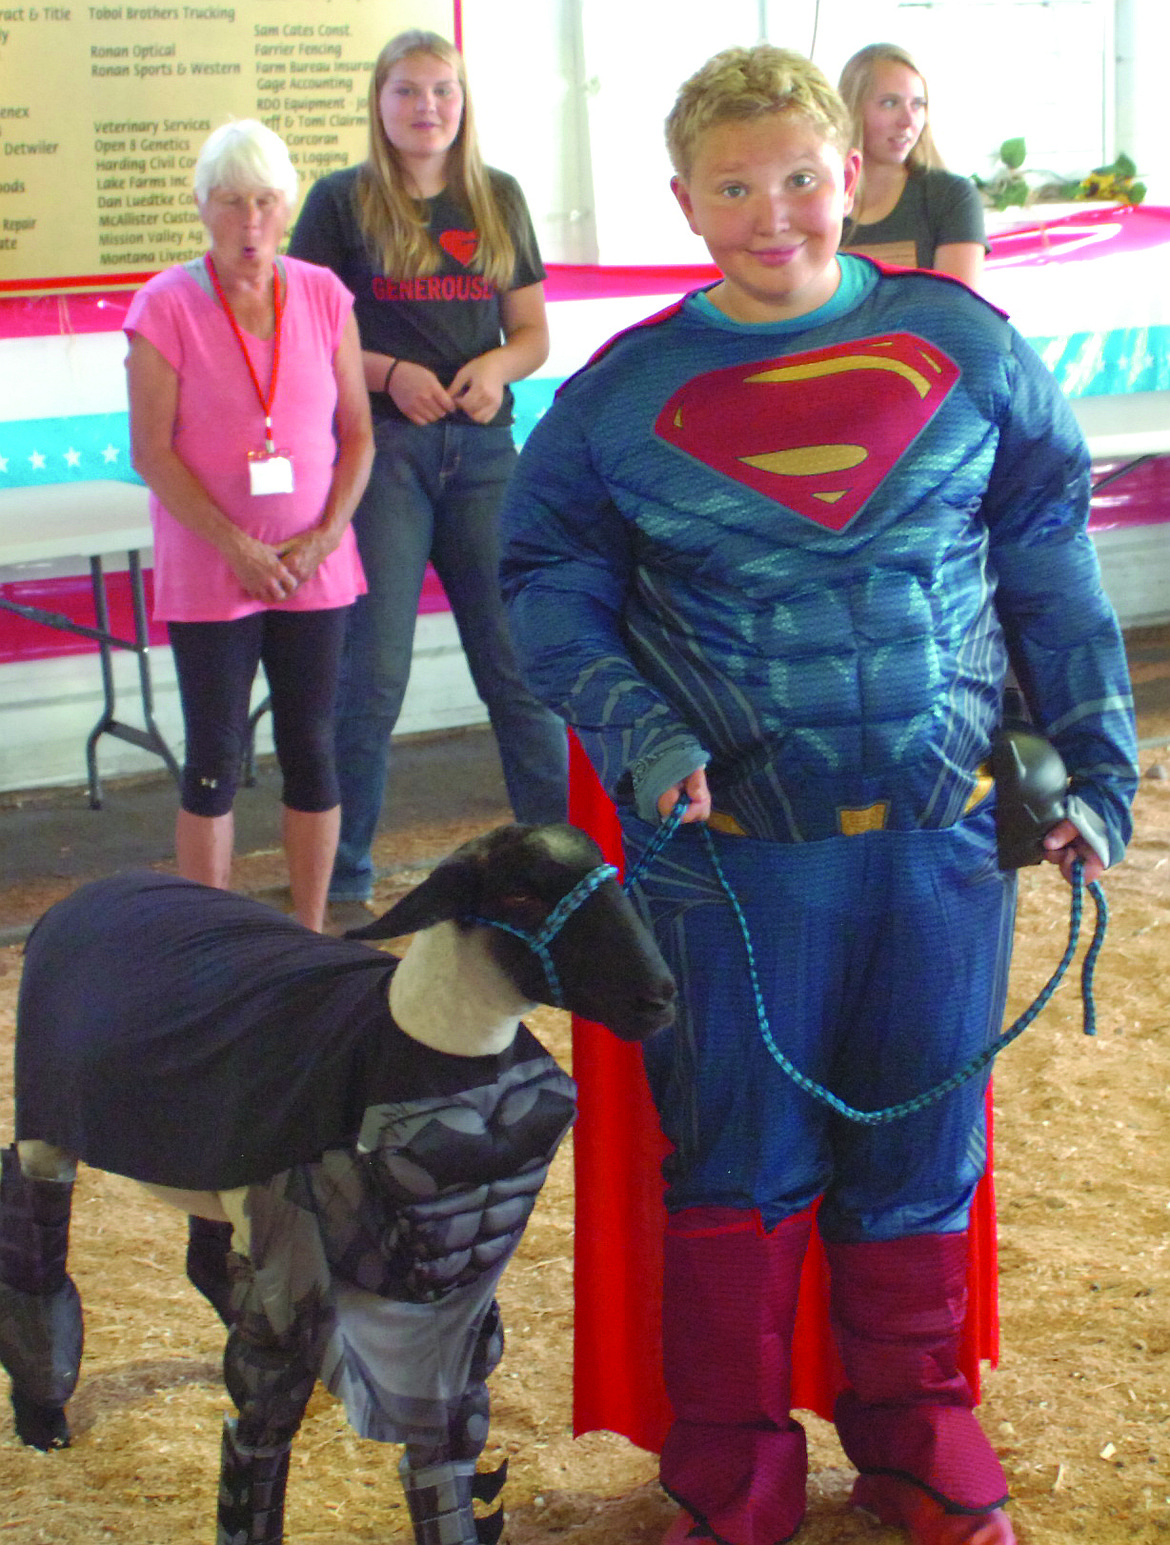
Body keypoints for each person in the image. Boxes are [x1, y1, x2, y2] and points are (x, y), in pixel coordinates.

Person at [500, 43, 1137, 1545]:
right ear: (684, 199)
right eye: (735, 185)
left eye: (798, 174)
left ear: (848, 170)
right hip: (733, 863)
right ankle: (732, 1473)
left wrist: (1093, 769)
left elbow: (1049, 562)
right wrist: (648, 743)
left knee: (922, 1156)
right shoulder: (616, 398)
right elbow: (544, 594)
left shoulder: (967, 349)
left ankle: (916, 1443)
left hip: (935, 849)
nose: (772, 211)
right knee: (735, 1171)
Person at [288, 28, 568, 911]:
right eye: (408, 91)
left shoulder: (497, 197)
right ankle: (342, 885)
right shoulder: (341, 202)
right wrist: (389, 376)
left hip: (484, 455)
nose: (427, 108)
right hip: (383, 456)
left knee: (520, 668)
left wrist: (494, 369)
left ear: (463, 101)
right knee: (370, 677)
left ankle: (563, 871)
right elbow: (308, 335)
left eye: (443, 91)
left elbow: (531, 335)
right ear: (379, 102)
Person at [125, 119, 373, 936]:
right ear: (202, 208)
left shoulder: (325, 294)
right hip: (211, 570)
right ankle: (212, 944)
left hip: (315, 569)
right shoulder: (164, 306)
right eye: (231, 202)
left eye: (266, 201)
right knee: (215, 759)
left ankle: (306, 934)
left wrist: (326, 535)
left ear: (288, 205)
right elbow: (153, 453)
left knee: (313, 748)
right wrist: (238, 546)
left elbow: (358, 437)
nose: (251, 221)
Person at [838, 41, 987, 285]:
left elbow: (957, 313)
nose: (907, 120)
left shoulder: (951, 197)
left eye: (917, 104)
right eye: (890, 103)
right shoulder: (821, 198)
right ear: (852, 107)